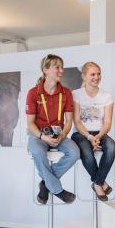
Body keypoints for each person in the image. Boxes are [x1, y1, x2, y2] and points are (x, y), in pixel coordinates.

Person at [26, 54, 80, 204]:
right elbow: (30, 123)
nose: (61, 70)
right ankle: (57, 189)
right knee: (37, 151)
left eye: (62, 67)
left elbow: (69, 120)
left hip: (59, 134)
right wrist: (43, 137)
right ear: (46, 70)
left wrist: (62, 135)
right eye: (57, 67)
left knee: (75, 152)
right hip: (39, 135)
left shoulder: (66, 93)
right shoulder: (33, 93)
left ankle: (45, 185)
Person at [71, 62, 115, 201]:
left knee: (112, 147)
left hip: (100, 132)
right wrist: (90, 137)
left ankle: (97, 182)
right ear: (84, 76)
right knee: (88, 154)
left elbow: (108, 122)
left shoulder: (107, 96)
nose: (96, 77)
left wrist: (98, 136)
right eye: (92, 74)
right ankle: (101, 183)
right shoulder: (76, 94)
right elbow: (77, 121)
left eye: (98, 73)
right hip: (81, 133)